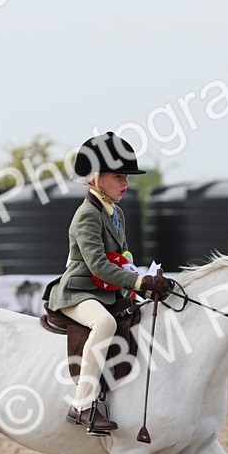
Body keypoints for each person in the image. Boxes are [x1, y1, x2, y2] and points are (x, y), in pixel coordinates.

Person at [47, 132, 173, 434]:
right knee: (104, 324)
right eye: (118, 176)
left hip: (107, 291)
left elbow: (122, 257)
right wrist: (139, 281)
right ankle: (82, 405)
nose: (125, 183)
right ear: (93, 177)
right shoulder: (86, 216)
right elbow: (99, 266)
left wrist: (145, 280)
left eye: (126, 177)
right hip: (78, 293)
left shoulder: (116, 213)